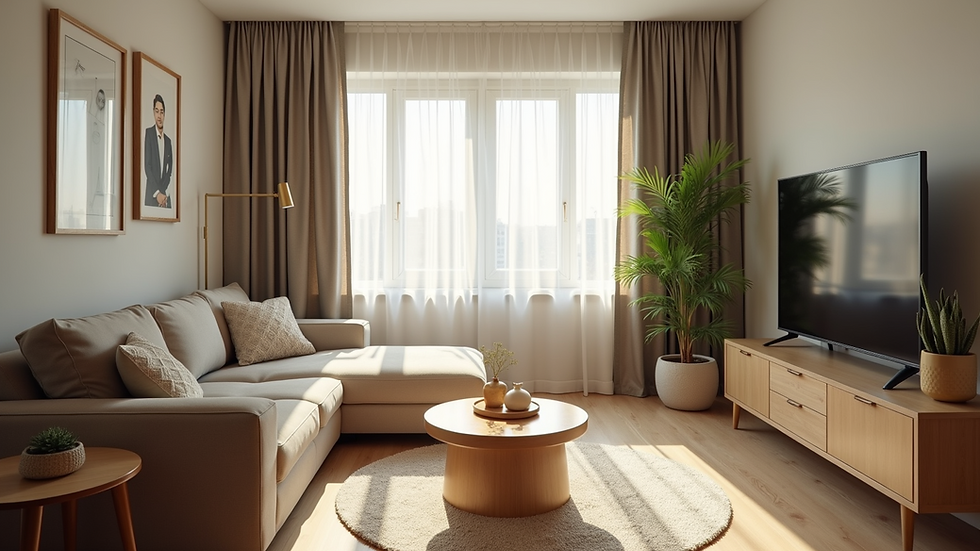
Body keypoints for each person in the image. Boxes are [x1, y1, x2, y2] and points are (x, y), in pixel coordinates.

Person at [143, 94, 173, 208]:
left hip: (164, 197)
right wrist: (157, 193)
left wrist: (163, 194)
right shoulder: (149, 134)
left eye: (161, 112)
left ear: (164, 114)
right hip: (152, 195)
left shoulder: (168, 141)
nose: (159, 116)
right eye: (157, 111)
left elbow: (169, 170)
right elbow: (147, 166)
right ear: (153, 113)